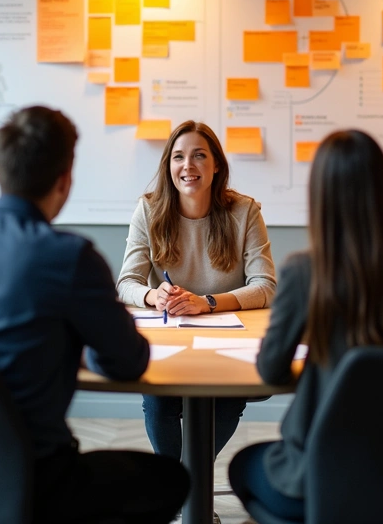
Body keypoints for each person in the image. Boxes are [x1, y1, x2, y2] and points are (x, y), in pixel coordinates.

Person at [0, 106, 188, 524]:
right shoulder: (69, 256)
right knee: (171, 478)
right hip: (35, 481)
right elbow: (127, 363)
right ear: (65, 180)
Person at [228, 130, 383, 520]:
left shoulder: (306, 271)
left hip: (320, 477)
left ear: (320, 194)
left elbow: (270, 370)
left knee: (242, 465)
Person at [116, 120, 277, 461]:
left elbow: (266, 287)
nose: (187, 166)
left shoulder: (244, 212)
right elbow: (126, 283)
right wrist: (152, 295)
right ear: (168, 166)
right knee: (158, 399)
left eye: (199, 156)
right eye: (178, 157)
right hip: (168, 341)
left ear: (216, 165)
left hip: (227, 344)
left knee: (228, 399)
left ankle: (186, 490)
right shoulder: (148, 210)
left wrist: (208, 303)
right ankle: (187, 492)